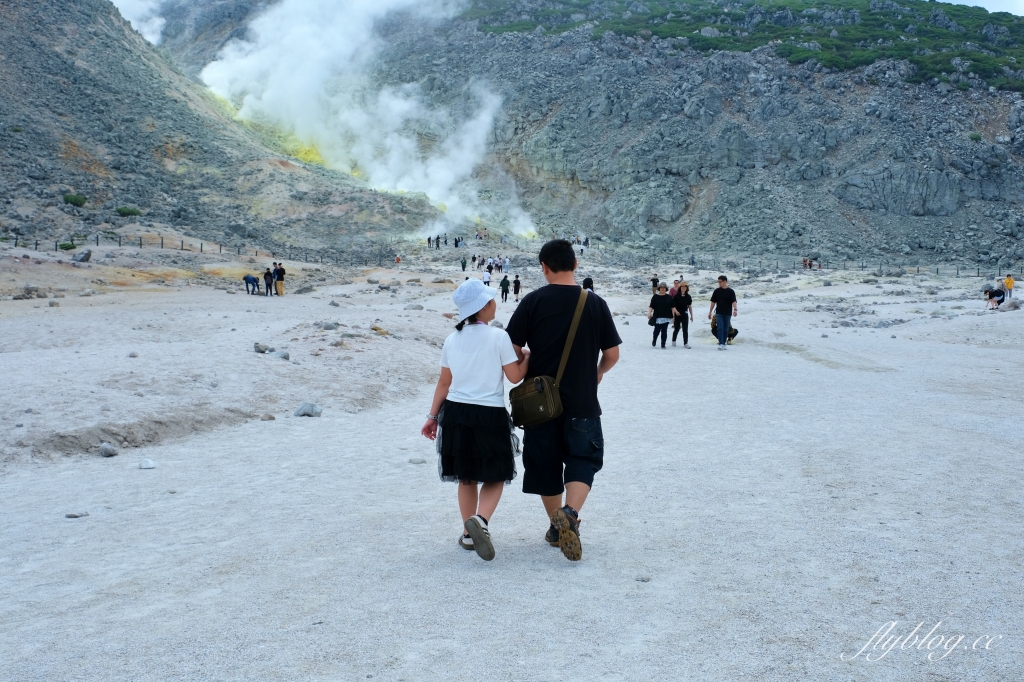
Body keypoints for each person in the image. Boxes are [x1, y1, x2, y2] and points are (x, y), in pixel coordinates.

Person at [506, 239, 621, 562]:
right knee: (583, 459)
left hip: (541, 404)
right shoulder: (594, 303)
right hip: (583, 400)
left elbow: (512, 350)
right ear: (575, 264)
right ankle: (570, 512)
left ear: (543, 267)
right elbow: (612, 354)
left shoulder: (533, 301)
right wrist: (597, 373)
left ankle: (557, 527)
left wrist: (528, 360)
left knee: (545, 465)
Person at [421, 279, 530, 561]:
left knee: (466, 476)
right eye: (491, 300)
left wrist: (432, 417)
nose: (495, 303)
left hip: (456, 412)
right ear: (484, 307)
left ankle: (469, 535)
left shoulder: (452, 339)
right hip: (488, 413)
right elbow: (515, 377)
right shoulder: (498, 336)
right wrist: (528, 357)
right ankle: (481, 521)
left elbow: (444, 383)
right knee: (498, 472)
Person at [708, 275, 737, 350]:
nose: (719, 283)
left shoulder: (731, 291)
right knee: (720, 327)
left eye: (720, 282)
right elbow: (713, 302)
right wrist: (710, 312)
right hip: (719, 312)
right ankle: (721, 343)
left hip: (728, 313)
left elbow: (734, 301)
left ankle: (724, 343)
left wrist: (735, 309)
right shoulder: (717, 291)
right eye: (718, 282)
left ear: (725, 281)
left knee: (726, 328)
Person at [648, 283, 673, 348]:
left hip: (666, 316)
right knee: (656, 330)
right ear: (659, 288)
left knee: (664, 331)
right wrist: (649, 313)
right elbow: (651, 306)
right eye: (661, 287)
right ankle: (654, 340)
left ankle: (663, 344)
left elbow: (672, 307)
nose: (662, 289)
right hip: (657, 316)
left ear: (666, 289)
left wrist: (673, 317)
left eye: (664, 288)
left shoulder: (669, 297)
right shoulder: (655, 296)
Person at [672, 281, 693, 348]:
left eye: (685, 287)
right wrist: (674, 314)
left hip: (685, 313)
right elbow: (673, 306)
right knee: (677, 328)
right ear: (680, 288)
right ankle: (674, 341)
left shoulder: (688, 297)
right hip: (677, 313)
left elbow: (689, 306)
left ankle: (685, 343)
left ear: (687, 288)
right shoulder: (676, 296)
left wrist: (692, 316)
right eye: (682, 287)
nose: (683, 288)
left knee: (685, 329)